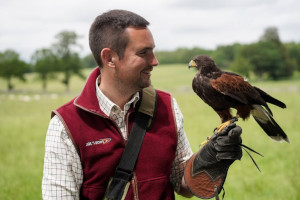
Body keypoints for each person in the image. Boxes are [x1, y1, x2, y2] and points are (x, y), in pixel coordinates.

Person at [42, 9, 242, 199]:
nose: (154, 61)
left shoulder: (166, 105)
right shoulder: (66, 125)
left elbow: (183, 183)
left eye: (152, 51)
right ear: (109, 58)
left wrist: (210, 159)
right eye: (143, 53)